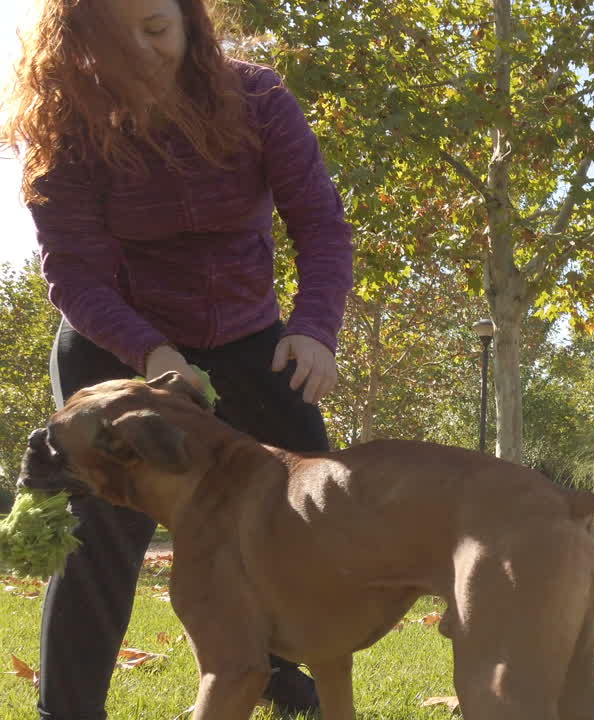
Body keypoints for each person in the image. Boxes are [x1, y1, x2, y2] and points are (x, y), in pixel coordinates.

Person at [3, 0, 354, 716]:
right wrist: (152, 354)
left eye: (158, 27)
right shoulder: (66, 130)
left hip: (253, 337)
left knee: (291, 517)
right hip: (116, 339)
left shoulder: (258, 96)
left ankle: (276, 675)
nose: (145, 50)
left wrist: (315, 329)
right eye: (116, 38)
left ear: (190, 19)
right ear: (79, 48)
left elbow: (320, 224)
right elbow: (77, 276)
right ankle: (66, 709)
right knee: (102, 532)